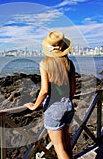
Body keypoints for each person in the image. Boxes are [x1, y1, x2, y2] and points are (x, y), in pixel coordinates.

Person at [25, 31, 76, 159]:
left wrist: (34, 106)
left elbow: (45, 90)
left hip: (54, 108)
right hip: (68, 105)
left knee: (59, 148)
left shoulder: (44, 64)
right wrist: (67, 101)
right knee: (67, 143)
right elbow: (73, 89)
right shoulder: (69, 63)